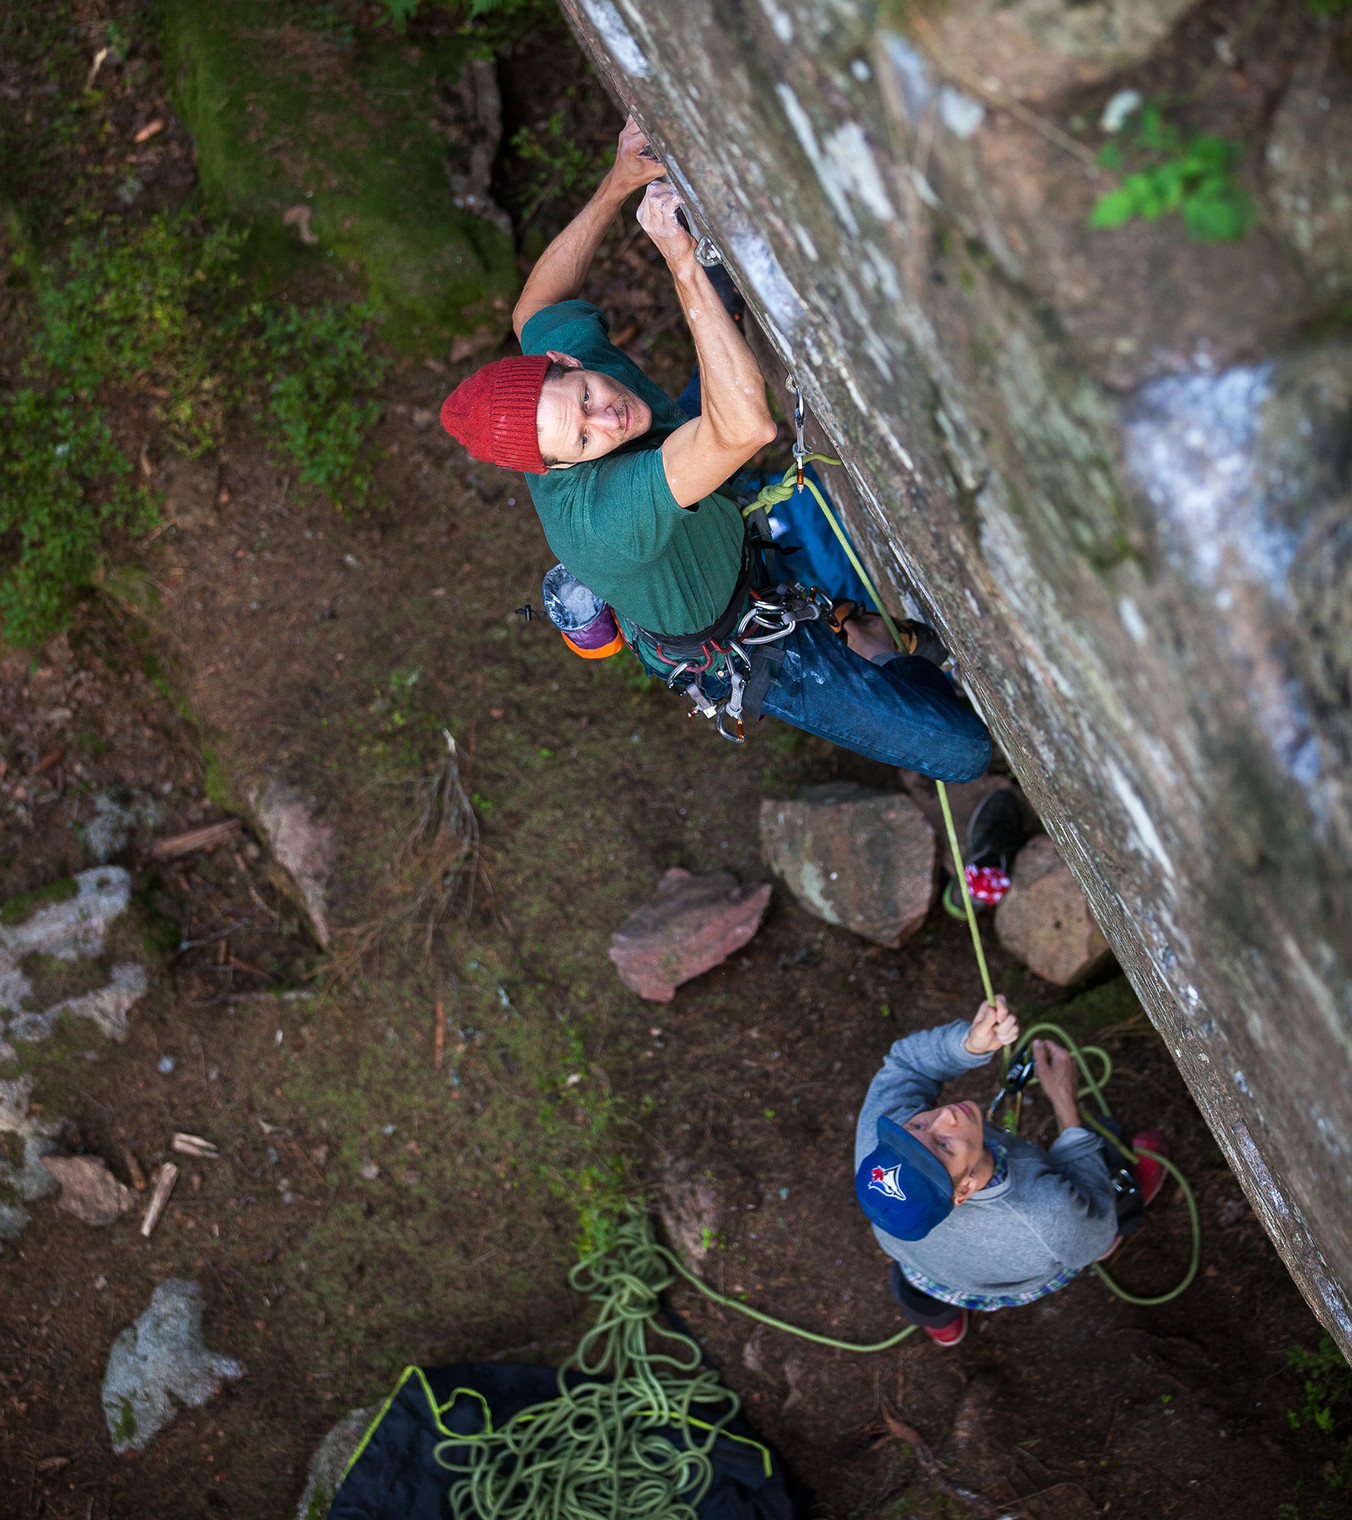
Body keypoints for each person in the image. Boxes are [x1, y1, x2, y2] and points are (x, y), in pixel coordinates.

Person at [439, 115, 990, 782]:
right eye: (582, 439)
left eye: (584, 395)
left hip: (695, 488)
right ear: (556, 467)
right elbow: (746, 429)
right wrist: (681, 264)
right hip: (735, 633)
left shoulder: (561, 385)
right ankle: (873, 644)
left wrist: (619, 182)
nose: (606, 418)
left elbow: (533, 310)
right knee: (961, 750)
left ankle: (719, 309)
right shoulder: (601, 521)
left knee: (716, 326)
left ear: (564, 360)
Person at [854, 997, 1167, 1347]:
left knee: (916, 1290)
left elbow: (906, 1065)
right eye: (943, 1145)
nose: (945, 1116)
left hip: (925, 1269)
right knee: (1104, 1167)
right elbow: (1091, 1237)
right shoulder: (1047, 1215)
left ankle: (942, 1325)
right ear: (964, 1190)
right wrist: (1065, 1103)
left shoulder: (880, 1146)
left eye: (917, 1126)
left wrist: (969, 1045)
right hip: (1045, 1250)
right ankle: (1128, 1198)